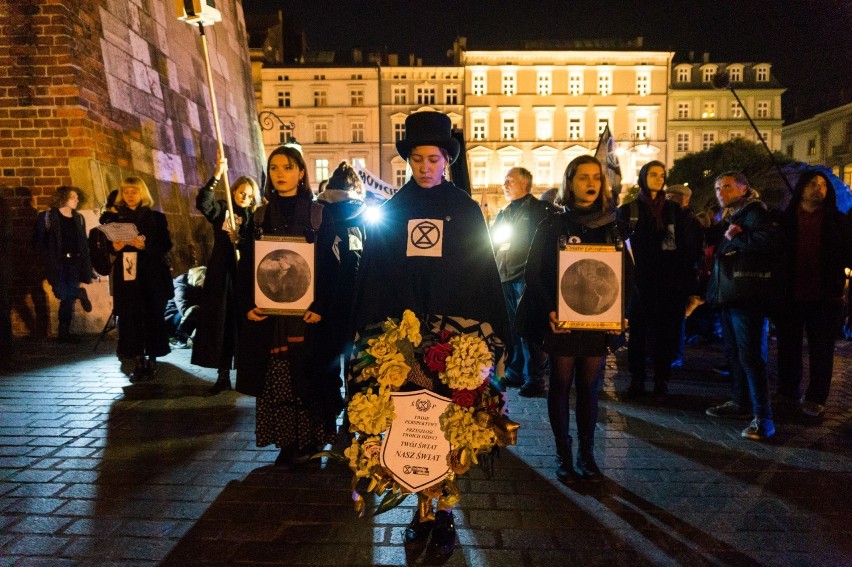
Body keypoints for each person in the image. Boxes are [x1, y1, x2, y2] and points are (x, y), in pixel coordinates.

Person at [352, 111, 509, 561]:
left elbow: (479, 273)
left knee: (451, 428)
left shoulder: (463, 209)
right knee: (409, 429)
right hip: (401, 344)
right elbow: (377, 276)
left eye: (434, 159)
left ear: (447, 161)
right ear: (409, 161)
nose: (425, 167)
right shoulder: (392, 208)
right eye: (418, 159)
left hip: (451, 341)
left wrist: (476, 338)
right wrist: (376, 338)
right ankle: (417, 513)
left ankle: (444, 513)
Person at [517, 155, 626, 484]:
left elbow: (626, 275)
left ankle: (587, 455)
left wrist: (622, 312)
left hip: (598, 322)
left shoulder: (612, 225)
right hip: (562, 322)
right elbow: (533, 273)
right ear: (569, 182)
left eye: (596, 178)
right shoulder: (553, 223)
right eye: (583, 178)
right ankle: (564, 454)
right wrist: (550, 308)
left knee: (590, 388)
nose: (591, 183)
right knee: (561, 385)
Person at [236, 145, 340, 467]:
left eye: (287, 167)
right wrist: (249, 304)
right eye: (274, 168)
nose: (280, 174)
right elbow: (248, 267)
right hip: (273, 318)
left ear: (301, 173)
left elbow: (332, 267)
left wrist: (321, 305)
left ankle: (313, 439)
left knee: (309, 376)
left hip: (308, 317)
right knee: (278, 377)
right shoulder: (259, 217)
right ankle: (287, 441)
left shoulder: (319, 214)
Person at [704, 171, 780, 440]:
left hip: (748, 295)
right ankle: (740, 403)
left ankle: (764, 418)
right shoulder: (736, 215)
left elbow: (770, 243)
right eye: (717, 188)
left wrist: (737, 237)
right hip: (732, 294)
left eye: (726, 186)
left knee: (751, 356)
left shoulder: (755, 212)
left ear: (744, 187)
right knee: (736, 353)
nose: (720, 192)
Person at [775, 170, 852, 418]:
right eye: (811, 183)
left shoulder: (838, 221)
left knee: (821, 349)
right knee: (789, 346)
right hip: (790, 293)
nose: (818, 188)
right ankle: (788, 392)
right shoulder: (786, 220)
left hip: (825, 296)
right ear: (801, 188)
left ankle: (817, 397)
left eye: (822, 184)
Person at [617, 161, 696, 400]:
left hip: (669, 284)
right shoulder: (630, 210)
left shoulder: (673, 210)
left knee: (665, 337)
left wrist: (687, 287)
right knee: (638, 336)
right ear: (643, 177)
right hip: (639, 283)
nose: (659, 178)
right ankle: (637, 381)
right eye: (653, 174)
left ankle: (662, 382)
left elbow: (685, 249)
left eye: (662, 175)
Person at [191, 158, 259, 395]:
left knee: (242, 325)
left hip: (243, 276)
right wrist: (217, 173)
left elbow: (256, 243)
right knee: (221, 323)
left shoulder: (254, 218)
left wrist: (239, 240)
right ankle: (222, 375)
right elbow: (203, 203)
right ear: (234, 191)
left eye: (249, 195)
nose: (244, 197)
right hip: (222, 275)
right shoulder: (223, 209)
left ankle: (245, 374)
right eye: (242, 192)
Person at [103, 177, 174, 382]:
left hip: (150, 272)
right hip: (127, 272)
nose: (130, 195)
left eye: (134, 191)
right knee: (130, 317)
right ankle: (137, 359)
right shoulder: (115, 219)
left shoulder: (155, 218)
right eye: (126, 191)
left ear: (142, 193)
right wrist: (114, 247)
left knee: (152, 315)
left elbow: (165, 244)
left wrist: (145, 246)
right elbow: (108, 245)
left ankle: (152, 358)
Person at [491, 167, 551, 396]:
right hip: (505, 275)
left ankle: (536, 379)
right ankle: (515, 372)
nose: (505, 185)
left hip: (526, 277)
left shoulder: (539, 210)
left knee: (529, 330)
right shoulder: (505, 212)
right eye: (504, 181)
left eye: (510, 181)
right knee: (512, 329)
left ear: (525, 183)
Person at [315, 161, 366, 403]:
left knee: (327, 352)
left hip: (322, 294)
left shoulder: (316, 211)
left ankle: (330, 400)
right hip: (354, 292)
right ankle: (352, 403)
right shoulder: (362, 212)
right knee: (352, 353)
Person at [33, 186, 94, 343]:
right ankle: (79, 293)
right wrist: (44, 259)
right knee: (61, 292)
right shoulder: (46, 217)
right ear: (63, 198)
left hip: (75, 261)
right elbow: (39, 242)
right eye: (73, 197)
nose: (77, 200)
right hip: (56, 261)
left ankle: (63, 332)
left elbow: (83, 243)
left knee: (67, 299)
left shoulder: (78, 218)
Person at [664, 183, 704, 368]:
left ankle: (675, 355)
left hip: (680, 275)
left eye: (671, 198)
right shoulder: (672, 218)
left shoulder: (689, 220)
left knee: (677, 317)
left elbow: (689, 251)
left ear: (683, 200)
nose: (667, 201)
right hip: (671, 275)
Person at [164, 266, 205, 348]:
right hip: (173, 317)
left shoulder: (199, 288)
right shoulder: (181, 284)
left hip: (186, 317)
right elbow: (183, 308)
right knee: (195, 310)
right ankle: (179, 338)